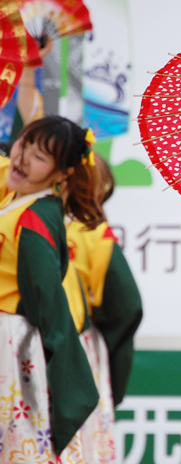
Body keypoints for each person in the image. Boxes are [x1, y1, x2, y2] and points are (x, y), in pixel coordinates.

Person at [0, 116, 104, 460]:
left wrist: (69, 397)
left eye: (39, 156)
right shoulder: (15, 194)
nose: (22, 158)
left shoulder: (34, 218)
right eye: (24, 143)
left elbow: (49, 306)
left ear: (62, 174)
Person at [62, 153, 143, 461]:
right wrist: (113, 381)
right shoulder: (92, 234)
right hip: (77, 358)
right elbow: (126, 308)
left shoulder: (27, 218)